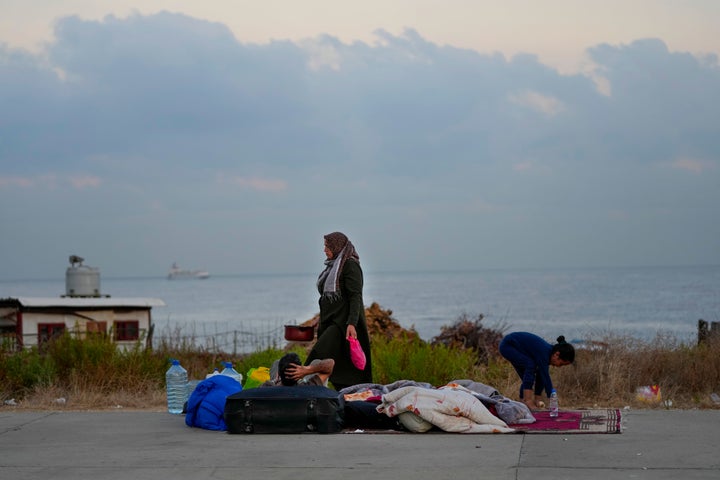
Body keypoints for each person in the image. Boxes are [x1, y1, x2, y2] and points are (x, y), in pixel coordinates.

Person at [305, 231, 372, 391]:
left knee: (319, 354)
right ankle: (341, 394)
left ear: (336, 247)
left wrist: (351, 323)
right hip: (330, 321)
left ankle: (299, 385)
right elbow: (329, 299)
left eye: (327, 246)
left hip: (342, 325)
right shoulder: (332, 267)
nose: (324, 250)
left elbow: (356, 296)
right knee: (338, 363)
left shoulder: (350, 265)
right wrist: (319, 318)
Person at [498, 332, 575, 410]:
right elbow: (546, 377)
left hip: (516, 348)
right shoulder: (544, 353)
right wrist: (552, 397)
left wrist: (538, 399)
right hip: (508, 346)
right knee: (530, 365)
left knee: (529, 375)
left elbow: (541, 376)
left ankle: (523, 401)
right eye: (561, 364)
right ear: (557, 354)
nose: (559, 366)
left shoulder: (548, 354)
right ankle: (527, 400)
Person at [262, 352, 335, 387]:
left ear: (278, 374)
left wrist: (274, 381)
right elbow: (330, 363)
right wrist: (307, 370)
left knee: (277, 362)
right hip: (301, 398)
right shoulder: (309, 387)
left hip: (278, 390)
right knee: (316, 362)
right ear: (299, 375)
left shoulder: (266, 388)